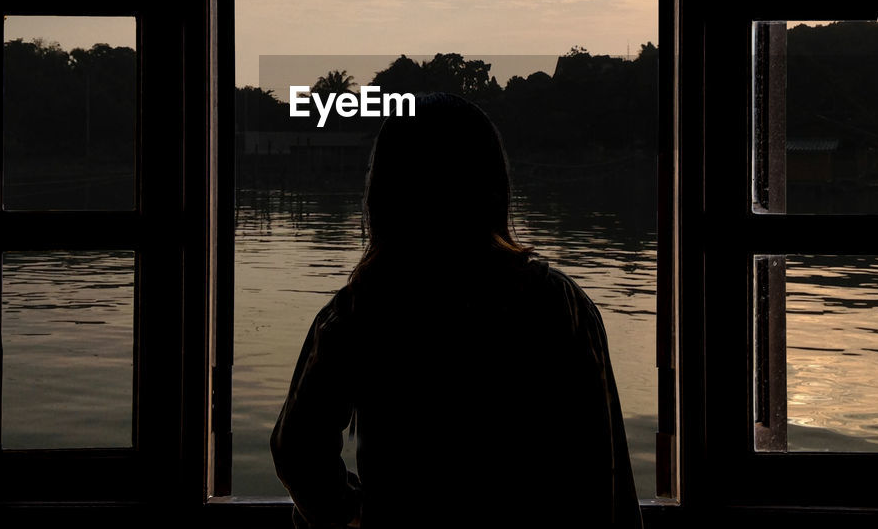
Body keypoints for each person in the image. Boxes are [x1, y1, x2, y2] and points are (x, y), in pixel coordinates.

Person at [270, 93, 642, 529]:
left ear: (384, 194)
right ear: (494, 188)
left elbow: (296, 449)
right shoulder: (561, 305)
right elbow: (605, 475)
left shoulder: (365, 308)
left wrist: (356, 513)